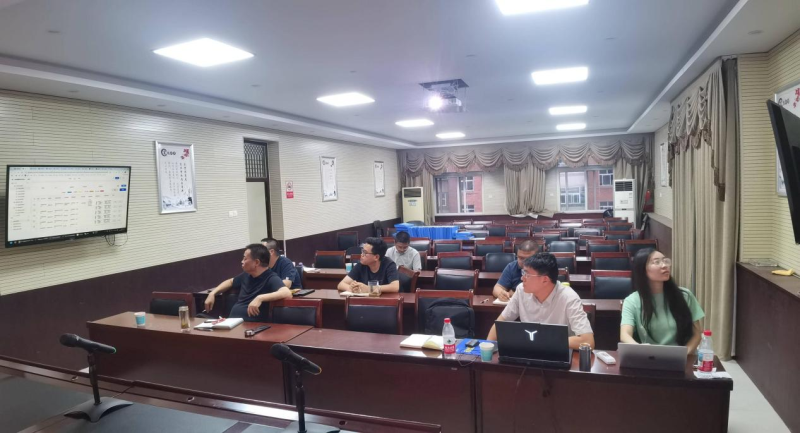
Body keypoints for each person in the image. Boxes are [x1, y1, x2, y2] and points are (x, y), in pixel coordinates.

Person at [487, 253, 594, 349]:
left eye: (527, 274)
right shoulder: (521, 290)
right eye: (523, 273)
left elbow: (588, 341)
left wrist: (542, 341)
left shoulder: (569, 297)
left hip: (559, 354)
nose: (522, 278)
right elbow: (499, 324)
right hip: (529, 353)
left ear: (545, 279)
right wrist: (487, 348)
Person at [620, 249, 704, 355]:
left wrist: (683, 354)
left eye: (665, 261)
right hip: (650, 356)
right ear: (642, 269)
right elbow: (625, 334)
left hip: (682, 357)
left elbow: (697, 334)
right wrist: (641, 349)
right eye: (657, 262)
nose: (664, 265)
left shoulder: (685, 295)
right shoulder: (632, 301)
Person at [204, 244, 292, 322]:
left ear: (256, 262)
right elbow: (230, 281)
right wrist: (213, 293)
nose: (242, 261)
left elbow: (287, 293)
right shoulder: (246, 275)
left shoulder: (271, 278)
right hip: (232, 323)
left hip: (251, 326)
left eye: (245, 258)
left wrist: (260, 298)